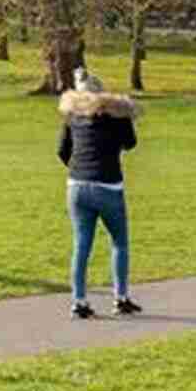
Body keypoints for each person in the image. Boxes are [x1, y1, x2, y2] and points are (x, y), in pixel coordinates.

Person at [57, 67, 143, 319]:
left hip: (77, 186)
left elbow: (62, 151)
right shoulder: (117, 117)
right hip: (108, 186)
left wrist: (80, 168)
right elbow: (131, 143)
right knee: (119, 242)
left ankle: (79, 302)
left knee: (81, 245)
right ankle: (121, 298)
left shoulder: (72, 117)